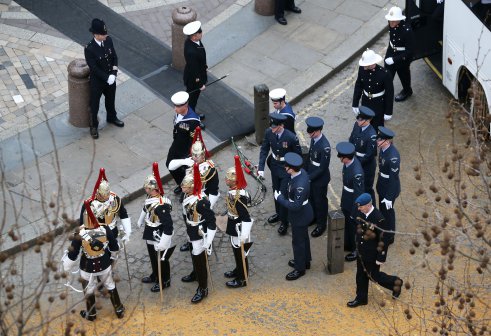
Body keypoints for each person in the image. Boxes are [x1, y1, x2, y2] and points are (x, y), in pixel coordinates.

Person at [62, 198, 124, 321]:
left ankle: (91, 314)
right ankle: (119, 309)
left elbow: (72, 255)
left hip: (87, 267)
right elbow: (114, 247)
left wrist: (66, 267)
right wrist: (112, 259)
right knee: (110, 285)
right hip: (104, 264)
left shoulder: (79, 233)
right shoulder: (105, 229)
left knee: (88, 289)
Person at [347, 193, 403, 308]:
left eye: (361, 207)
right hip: (361, 251)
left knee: (374, 276)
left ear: (368, 205)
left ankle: (396, 283)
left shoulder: (378, 218)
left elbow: (384, 239)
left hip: (372, 254)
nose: (358, 209)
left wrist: (381, 257)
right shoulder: (360, 212)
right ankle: (361, 298)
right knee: (360, 275)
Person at [258, 113, 302, 236]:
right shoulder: (269, 132)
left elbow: (298, 155)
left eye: (275, 127)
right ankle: (279, 213)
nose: (272, 130)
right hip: (274, 167)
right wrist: (261, 167)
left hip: (286, 169)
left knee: (282, 194)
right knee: (275, 190)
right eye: (271, 127)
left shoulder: (291, 137)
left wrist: (295, 171)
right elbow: (264, 149)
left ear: (281, 125)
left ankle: (284, 222)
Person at [180, 164, 217, 303]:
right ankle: (195, 273)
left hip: (200, 231)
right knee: (193, 254)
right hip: (191, 228)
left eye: (185, 186)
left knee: (199, 257)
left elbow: (212, 221)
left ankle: (203, 288)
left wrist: (208, 241)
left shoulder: (201, 202)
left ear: (191, 187)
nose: (182, 188)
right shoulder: (187, 195)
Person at [136, 163, 174, 293]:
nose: (145, 190)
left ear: (153, 189)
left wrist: (164, 242)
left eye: (147, 188)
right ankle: (155, 274)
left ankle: (164, 280)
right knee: (153, 255)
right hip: (150, 228)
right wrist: (141, 219)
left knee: (161, 258)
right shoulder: (151, 197)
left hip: (159, 231)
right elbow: (146, 207)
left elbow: (169, 226)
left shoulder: (161, 206)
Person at [275, 152, 313, 280]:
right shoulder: (300, 173)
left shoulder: (300, 185)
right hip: (302, 213)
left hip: (300, 215)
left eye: (287, 167)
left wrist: (279, 198)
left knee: (298, 242)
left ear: (292, 169)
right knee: (304, 239)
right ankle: (305, 261)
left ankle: (300, 268)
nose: (285, 168)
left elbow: (296, 206)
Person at [84, 18, 124, 140]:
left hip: (110, 79)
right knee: (94, 104)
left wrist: (113, 73)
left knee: (111, 100)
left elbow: (114, 58)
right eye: (103, 34)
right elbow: (94, 68)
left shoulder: (108, 40)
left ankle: (112, 117)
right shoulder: (89, 49)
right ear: (95, 34)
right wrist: (107, 77)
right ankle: (94, 126)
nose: (106, 35)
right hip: (98, 82)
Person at [223, 155, 253, 288]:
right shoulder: (233, 192)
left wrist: (244, 235)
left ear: (234, 182)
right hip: (233, 222)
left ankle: (242, 278)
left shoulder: (238, 197)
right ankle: (238, 270)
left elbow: (246, 217)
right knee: (236, 251)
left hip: (238, 226)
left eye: (228, 179)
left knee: (240, 252)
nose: (226, 180)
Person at [79, 168, 131, 244]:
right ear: (98, 193)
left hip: (113, 232)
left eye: (108, 194)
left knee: (114, 251)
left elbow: (123, 214)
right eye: (104, 195)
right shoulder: (89, 203)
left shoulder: (115, 198)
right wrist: (89, 240)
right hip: (98, 236)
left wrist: (128, 231)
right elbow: (82, 224)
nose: (107, 197)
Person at [166, 91, 200, 196]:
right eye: (175, 106)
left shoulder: (193, 121)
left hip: (186, 150)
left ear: (185, 105)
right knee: (169, 164)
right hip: (176, 144)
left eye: (177, 107)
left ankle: (189, 189)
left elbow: (194, 139)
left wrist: (190, 155)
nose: (175, 109)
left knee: (186, 170)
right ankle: (182, 184)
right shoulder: (179, 113)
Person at [336, 142, 365, 262]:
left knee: (354, 226)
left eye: (341, 157)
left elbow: (358, 194)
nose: (340, 159)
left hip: (353, 201)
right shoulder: (348, 164)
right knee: (347, 223)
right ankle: (348, 244)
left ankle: (356, 250)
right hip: (347, 197)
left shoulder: (357, 172)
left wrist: (355, 210)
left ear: (347, 158)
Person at [352, 49, 394, 131]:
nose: (364, 67)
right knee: (363, 125)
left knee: (376, 128)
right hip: (365, 101)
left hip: (378, 104)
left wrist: (388, 111)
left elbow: (389, 93)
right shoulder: (362, 69)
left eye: (366, 65)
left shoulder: (385, 73)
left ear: (371, 64)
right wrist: (355, 103)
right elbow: (359, 85)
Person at [304, 117, 331, 238]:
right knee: (312, 199)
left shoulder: (325, 147)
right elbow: (310, 155)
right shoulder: (314, 139)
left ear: (319, 131)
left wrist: (309, 177)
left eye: (312, 133)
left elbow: (322, 168)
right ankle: (314, 218)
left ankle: (321, 224)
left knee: (320, 202)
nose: (310, 135)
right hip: (311, 173)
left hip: (319, 178)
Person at [376, 127, 401, 245]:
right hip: (382, 185)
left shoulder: (393, 157)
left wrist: (389, 197)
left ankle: (390, 236)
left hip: (389, 188)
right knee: (382, 211)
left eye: (379, 139)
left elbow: (393, 179)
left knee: (388, 212)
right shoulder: (383, 149)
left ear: (387, 141)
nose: (377, 141)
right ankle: (383, 230)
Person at [384, 6, 415, 102]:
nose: (391, 23)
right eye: (390, 20)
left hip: (402, 58)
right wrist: (389, 55)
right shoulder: (391, 24)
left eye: (394, 21)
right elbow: (392, 38)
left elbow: (410, 51)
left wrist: (394, 60)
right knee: (387, 76)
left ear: (399, 20)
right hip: (391, 52)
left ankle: (407, 91)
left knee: (404, 76)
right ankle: (385, 93)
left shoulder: (407, 31)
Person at [349, 106, 377, 202]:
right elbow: (351, 139)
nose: (358, 121)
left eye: (361, 120)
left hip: (366, 166)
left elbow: (369, 155)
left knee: (366, 189)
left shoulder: (371, 135)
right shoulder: (357, 125)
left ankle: (372, 209)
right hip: (356, 159)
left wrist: (355, 164)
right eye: (358, 118)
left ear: (368, 121)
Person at [183, 21, 207, 123]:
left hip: (197, 74)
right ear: (193, 36)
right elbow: (194, 70)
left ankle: (191, 115)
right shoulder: (191, 51)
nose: (201, 33)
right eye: (199, 32)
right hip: (193, 80)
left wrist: (204, 66)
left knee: (193, 99)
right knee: (192, 100)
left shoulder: (194, 41)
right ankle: (191, 119)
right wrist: (200, 84)